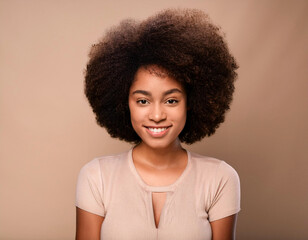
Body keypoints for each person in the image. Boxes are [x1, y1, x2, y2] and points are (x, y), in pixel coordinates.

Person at [76, 8, 240, 240]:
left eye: (171, 100)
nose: (156, 115)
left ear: (191, 102)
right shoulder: (96, 177)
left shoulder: (220, 178)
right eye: (143, 100)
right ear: (125, 103)